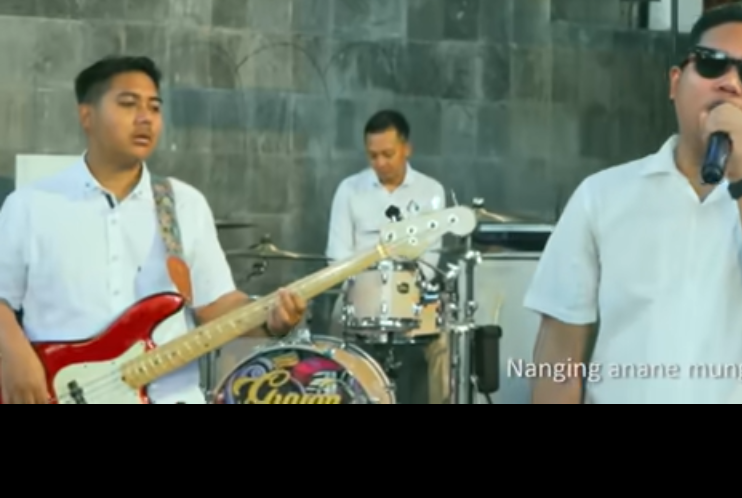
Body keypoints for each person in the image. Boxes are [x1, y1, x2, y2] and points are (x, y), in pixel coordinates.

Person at [523, 4, 742, 404]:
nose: (730, 83)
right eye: (712, 64)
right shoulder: (602, 195)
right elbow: (559, 355)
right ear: (675, 83)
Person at [0, 56, 307, 404]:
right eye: (128, 104)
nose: (145, 117)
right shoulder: (31, 205)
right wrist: (14, 354)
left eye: (154, 107)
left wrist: (270, 321)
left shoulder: (183, 204)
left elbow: (216, 305)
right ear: (87, 116)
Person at [326, 109, 449, 403]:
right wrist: (366, 288)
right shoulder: (349, 190)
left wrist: (401, 290)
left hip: (412, 294)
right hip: (358, 294)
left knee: (444, 345)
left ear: (407, 149)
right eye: (373, 155)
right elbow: (336, 255)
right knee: (332, 339)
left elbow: (431, 256)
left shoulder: (431, 190)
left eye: (388, 154)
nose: (380, 163)